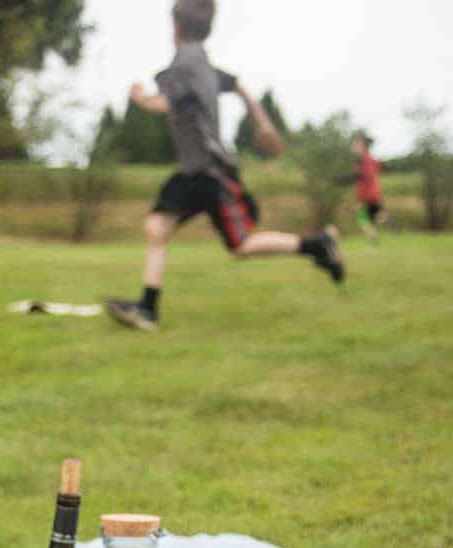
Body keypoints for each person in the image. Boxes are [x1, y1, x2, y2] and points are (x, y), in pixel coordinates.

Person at [106, 0, 345, 333]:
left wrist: (140, 100)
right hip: (193, 171)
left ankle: (315, 244)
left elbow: (166, 102)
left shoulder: (183, 65)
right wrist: (264, 123)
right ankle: (147, 308)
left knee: (237, 245)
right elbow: (239, 86)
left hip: (209, 172)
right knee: (163, 230)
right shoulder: (203, 63)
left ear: (175, 28)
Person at [341, 132, 389, 242]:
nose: (352, 147)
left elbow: (365, 175)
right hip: (370, 195)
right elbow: (380, 167)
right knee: (370, 217)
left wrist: (349, 179)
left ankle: (377, 229)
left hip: (368, 195)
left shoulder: (366, 160)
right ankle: (381, 221)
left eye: (355, 145)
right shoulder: (368, 159)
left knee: (362, 218)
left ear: (363, 146)